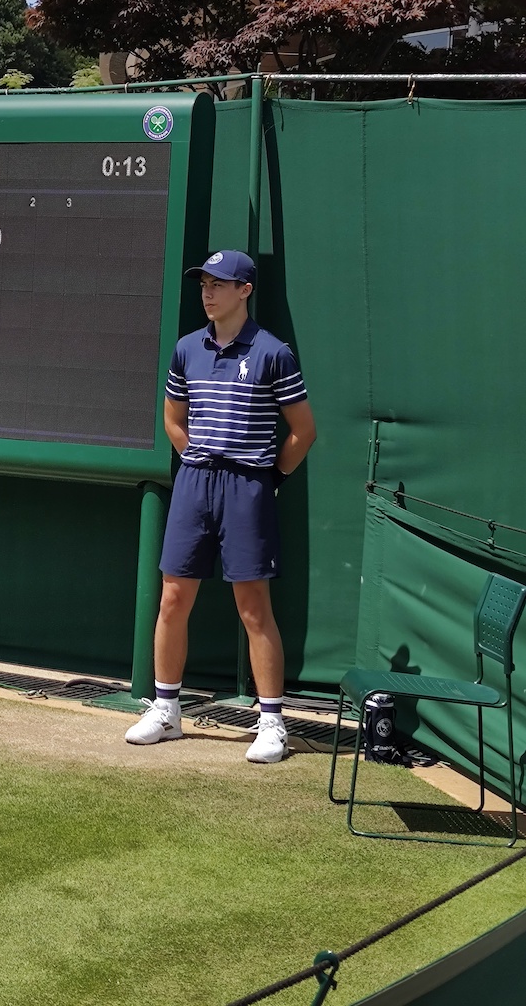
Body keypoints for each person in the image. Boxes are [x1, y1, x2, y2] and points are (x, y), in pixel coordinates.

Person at [125, 250, 316, 763]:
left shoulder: (275, 352)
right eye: (204, 283)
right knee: (172, 598)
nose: (208, 292)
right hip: (194, 483)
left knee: (253, 607)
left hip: (247, 488)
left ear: (244, 291)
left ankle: (272, 722)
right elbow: (173, 417)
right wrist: (194, 460)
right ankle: (166, 711)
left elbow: (303, 432)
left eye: (219, 284)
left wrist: (268, 478)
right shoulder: (187, 348)